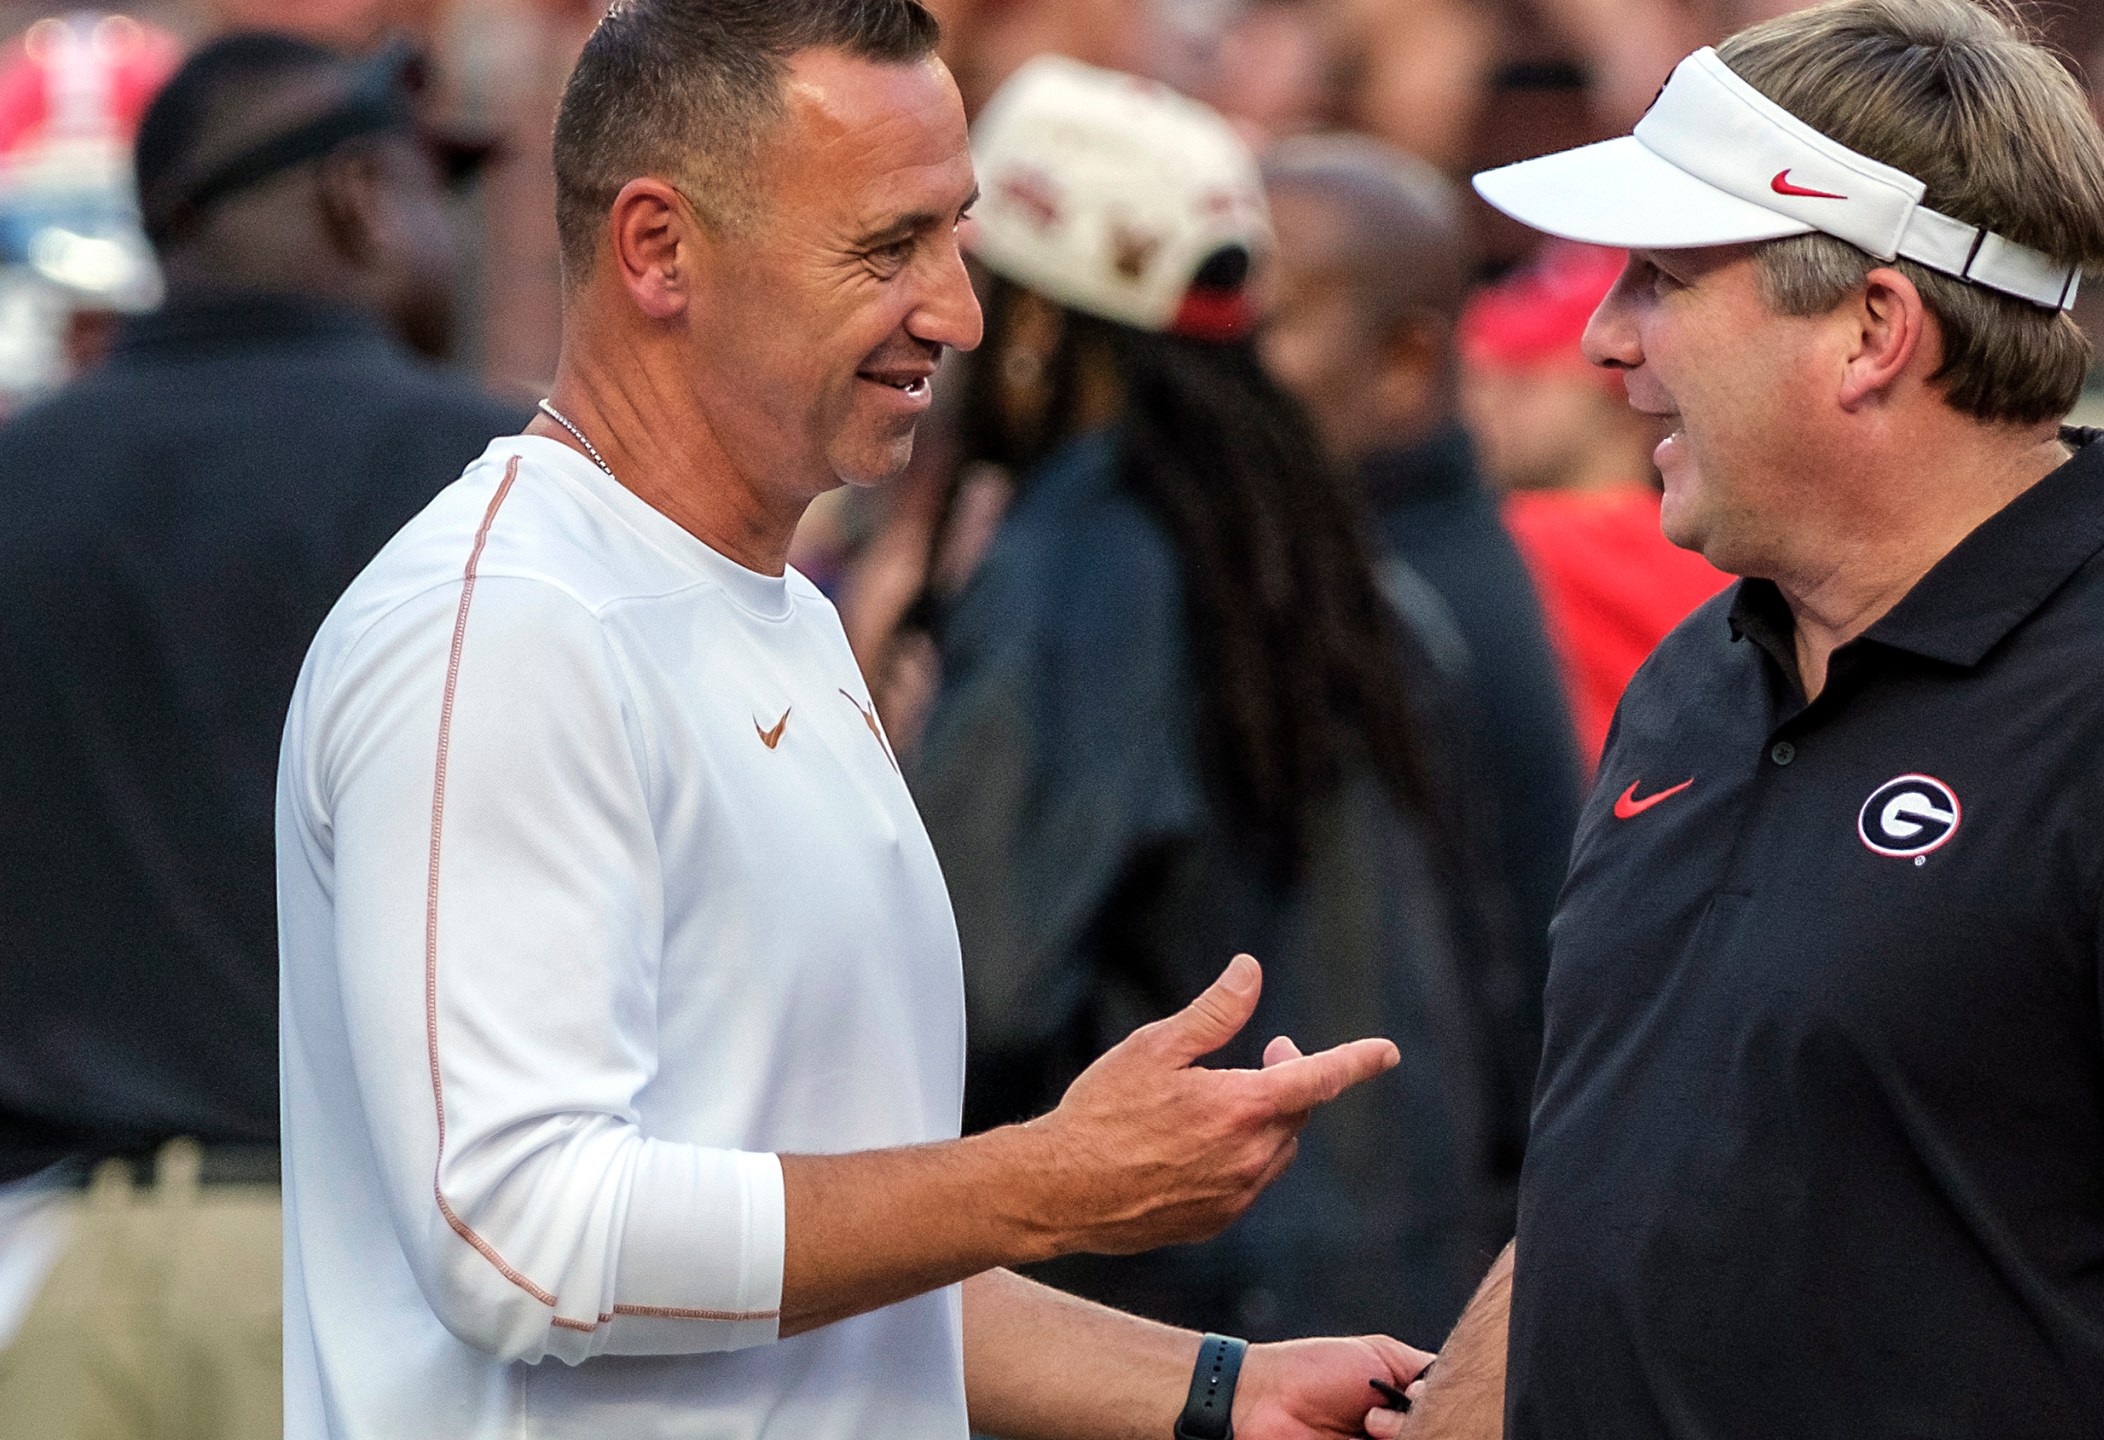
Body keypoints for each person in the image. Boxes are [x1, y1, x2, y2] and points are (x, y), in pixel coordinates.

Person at [275, 7, 1425, 1437]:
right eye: (887, 248)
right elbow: (519, 1241)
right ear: (657, 249)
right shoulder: (503, 623)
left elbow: (824, 1250)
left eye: (956, 234)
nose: (959, 310)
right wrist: (1047, 1182)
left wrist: (1212, 1392)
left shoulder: (780, 616)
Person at [1378, 1, 2104, 1436]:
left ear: (1875, 327)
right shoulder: (1700, 672)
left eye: (1660, 278)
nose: (1602, 338)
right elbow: (1620, 1177)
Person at [913, 58, 1513, 1345]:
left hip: (1171, 1321)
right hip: (1385, 1299)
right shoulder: (1329, 559)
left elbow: (972, 987)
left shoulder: (1084, 554)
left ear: (1027, 324)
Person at [0, 33, 521, 1437]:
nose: (441, 239)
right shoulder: (496, 488)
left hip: (47, 1278)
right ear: (357, 197)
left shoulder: (16, 480)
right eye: (429, 193)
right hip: (398, 1290)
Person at [1255, 131, 1584, 1151]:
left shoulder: (1400, 614)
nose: (1207, 362)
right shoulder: (1352, 570)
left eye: (1260, 321)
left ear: (1403, 362)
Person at [1457, 242, 1733, 763]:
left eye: (1522, 381)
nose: (1481, 403)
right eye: (1476, 377)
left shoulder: (1517, 540)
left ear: (1617, 384)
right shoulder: (1728, 541)